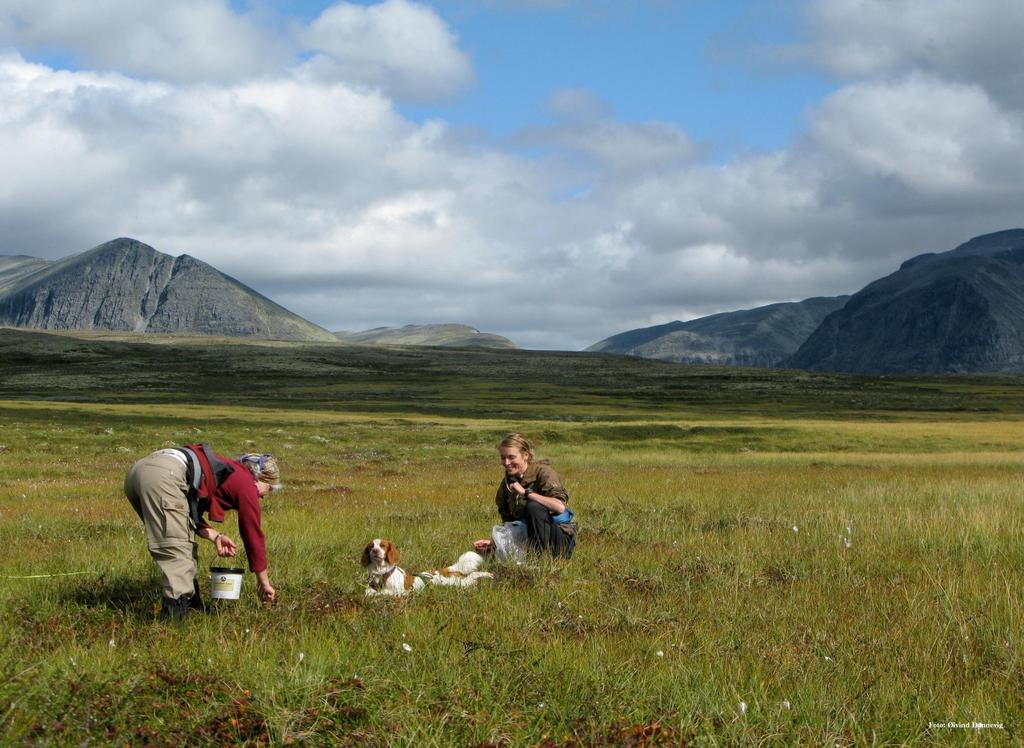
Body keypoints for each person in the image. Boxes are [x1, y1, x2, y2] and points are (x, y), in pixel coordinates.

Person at [124, 444, 280, 620]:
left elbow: (189, 515)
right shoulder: (247, 483)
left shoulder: (226, 472)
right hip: (165, 475)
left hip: (140, 472)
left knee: (182, 539)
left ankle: (193, 605)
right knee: (176, 547)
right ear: (261, 478)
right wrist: (263, 582)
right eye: (269, 489)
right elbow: (252, 533)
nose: (264, 496)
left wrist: (215, 536)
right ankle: (175, 617)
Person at [474, 433, 576, 559]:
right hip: (529, 540)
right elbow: (511, 524)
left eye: (511, 457)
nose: (506, 463)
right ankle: (532, 558)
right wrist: (495, 543)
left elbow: (559, 507)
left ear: (525, 455)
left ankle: (540, 561)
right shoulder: (507, 484)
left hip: (558, 541)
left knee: (533, 507)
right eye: (503, 458)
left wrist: (526, 493)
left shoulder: (544, 473)